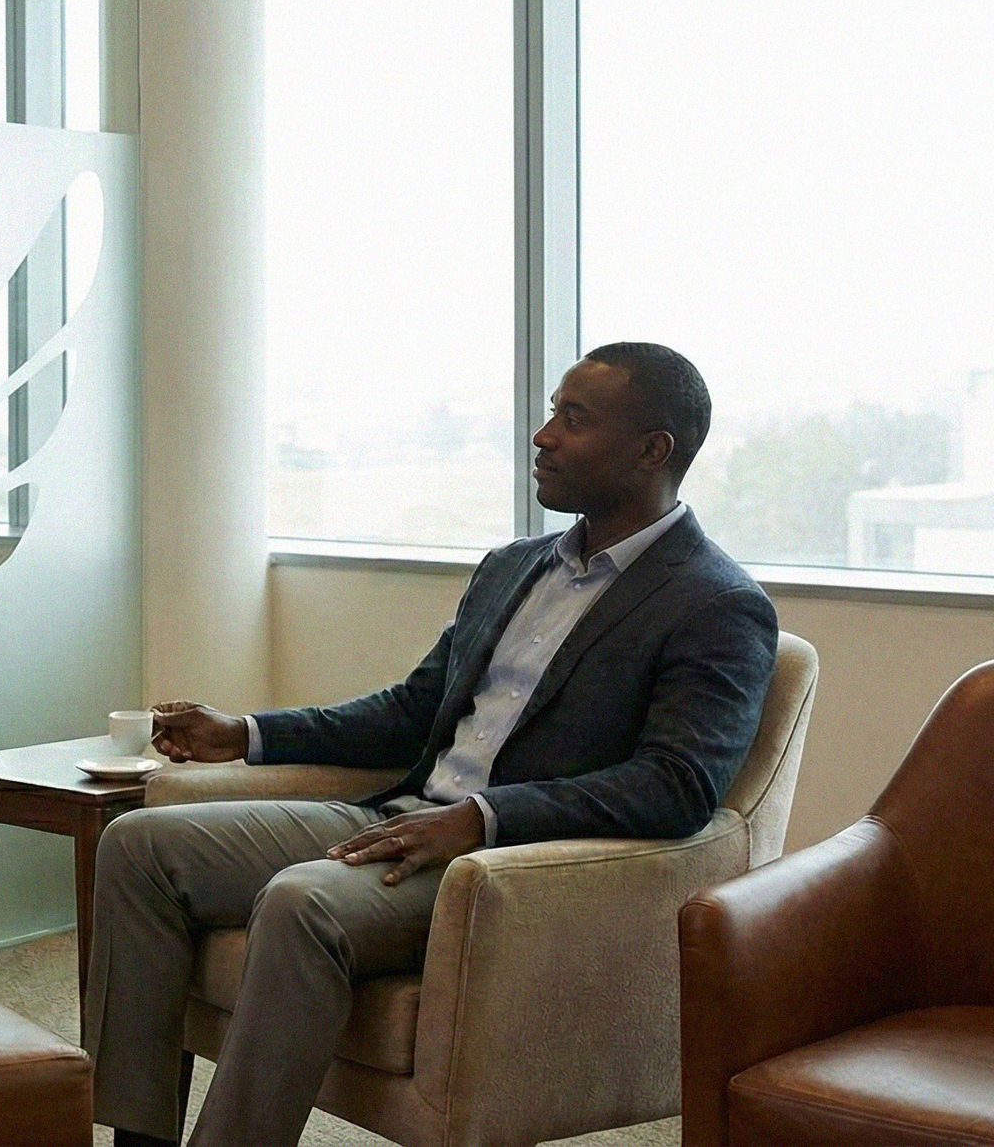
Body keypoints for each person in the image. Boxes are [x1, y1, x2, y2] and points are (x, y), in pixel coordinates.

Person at [84, 343, 777, 1147]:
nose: (543, 435)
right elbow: (414, 710)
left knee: (302, 902)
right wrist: (244, 733)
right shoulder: (515, 565)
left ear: (653, 449)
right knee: (137, 847)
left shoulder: (716, 603)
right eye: (553, 411)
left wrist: (482, 819)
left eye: (574, 420)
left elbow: (678, 784)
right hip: (398, 818)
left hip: (497, 866)